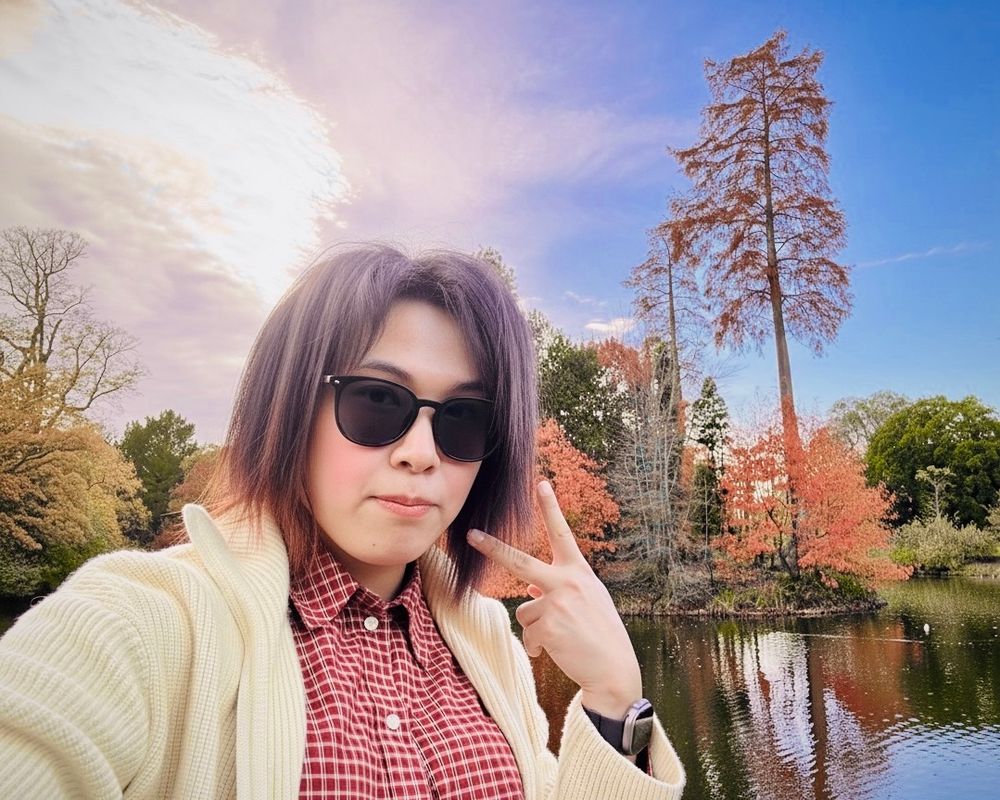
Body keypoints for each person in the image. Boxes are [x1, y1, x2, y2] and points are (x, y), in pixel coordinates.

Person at [0, 246, 685, 798]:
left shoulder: (489, 650)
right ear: (289, 406)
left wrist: (615, 701)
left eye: (463, 418)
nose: (420, 453)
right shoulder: (143, 624)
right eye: (376, 401)